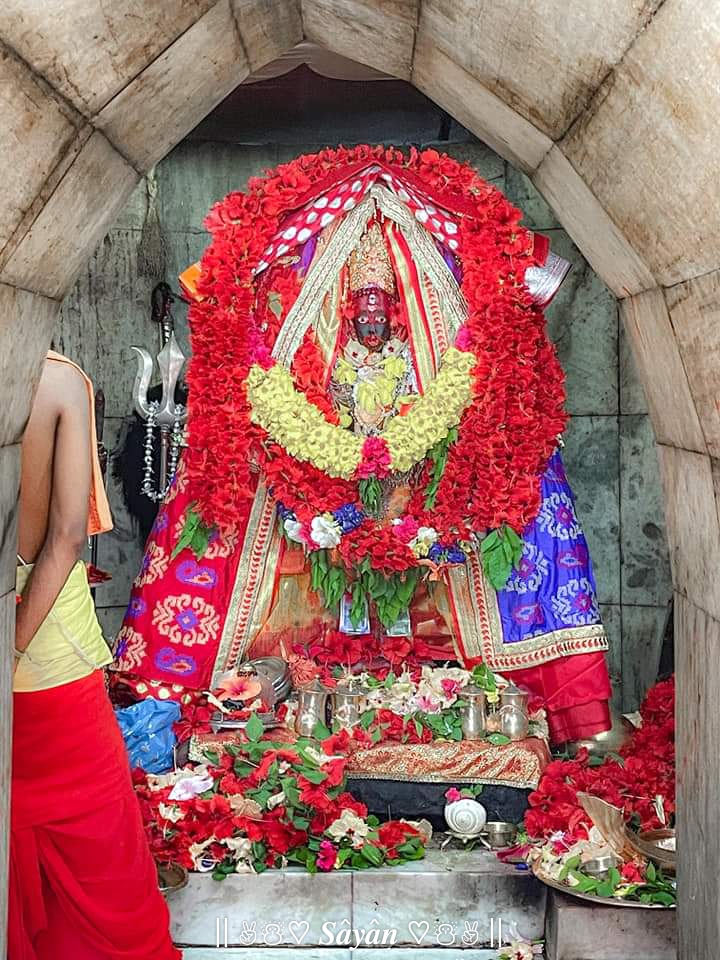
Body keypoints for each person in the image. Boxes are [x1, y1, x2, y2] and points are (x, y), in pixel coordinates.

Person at [9, 351, 180, 960]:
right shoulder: (56, 379)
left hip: (41, 666)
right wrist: (14, 645)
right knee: (101, 862)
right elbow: (65, 538)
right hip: (48, 660)